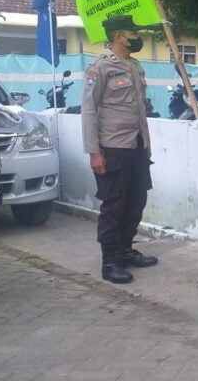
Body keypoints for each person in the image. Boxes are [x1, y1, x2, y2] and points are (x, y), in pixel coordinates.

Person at [82, 15, 158, 284]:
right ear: (118, 37)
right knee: (114, 204)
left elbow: (139, 110)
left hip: (136, 145)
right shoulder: (100, 68)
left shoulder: (135, 66)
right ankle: (109, 260)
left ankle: (125, 250)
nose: (136, 37)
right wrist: (94, 151)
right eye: (132, 33)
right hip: (112, 147)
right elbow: (89, 111)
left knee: (137, 200)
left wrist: (146, 144)